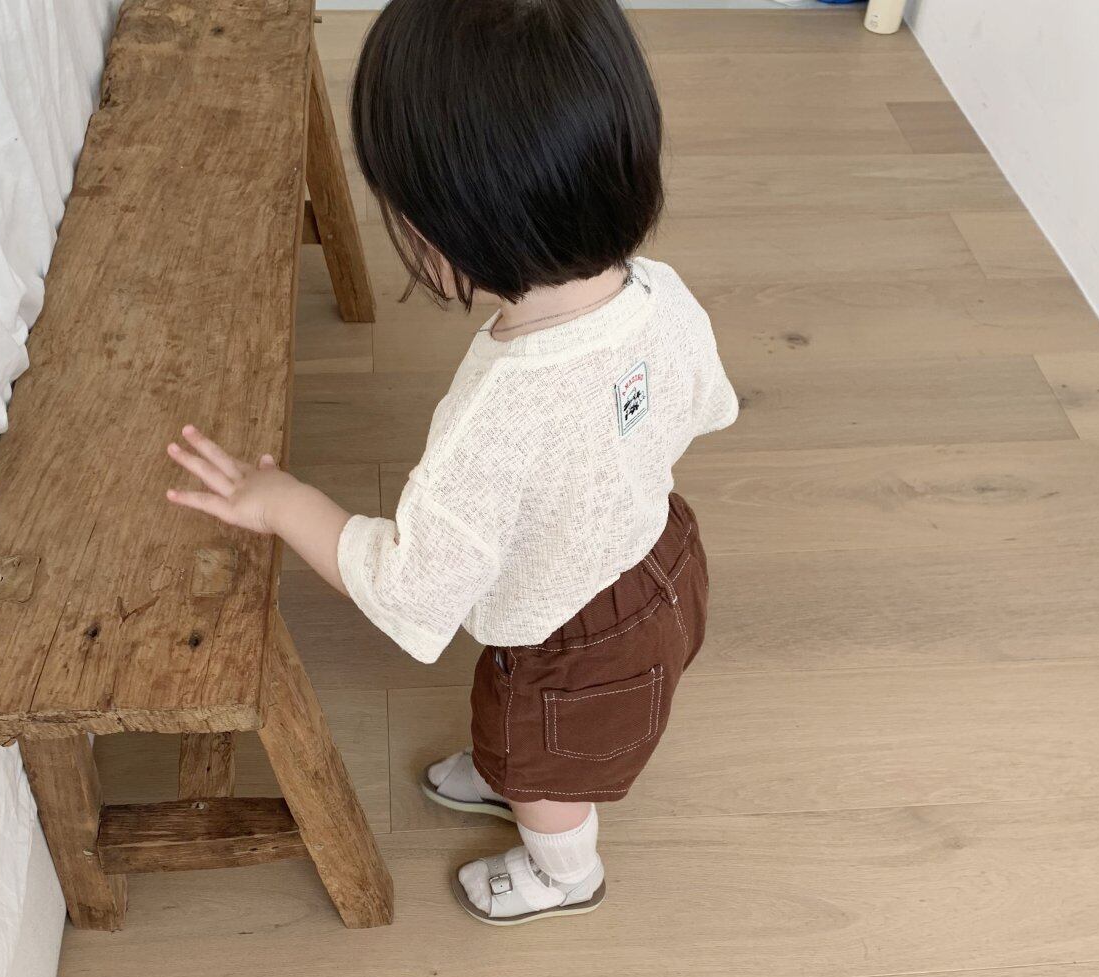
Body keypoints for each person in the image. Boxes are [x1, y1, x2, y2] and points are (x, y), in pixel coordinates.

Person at [165, 0, 738, 924]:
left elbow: (410, 585)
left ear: (455, 231)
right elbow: (701, 405)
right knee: (549, 739)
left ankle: (564, 871)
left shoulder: (494, 421)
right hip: (667, 558)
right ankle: (526, 765)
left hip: (570, 641)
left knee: (546, 770)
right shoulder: (662, 293)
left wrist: (282, 502)